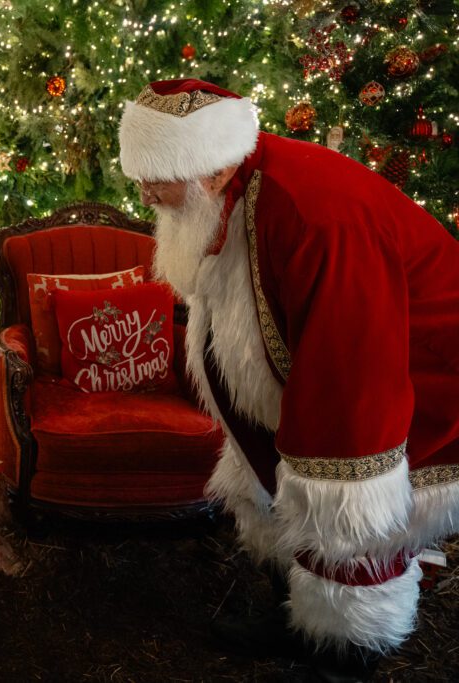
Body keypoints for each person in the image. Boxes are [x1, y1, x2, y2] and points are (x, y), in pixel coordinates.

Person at [118, 78, 459, 682]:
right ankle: (299, 616)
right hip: (327, 362)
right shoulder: (232, 185)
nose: (144, 194)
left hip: (419, 370)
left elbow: (351, 388)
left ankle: (346, 652)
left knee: (347, 509)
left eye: (157, 178)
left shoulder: (318, 218)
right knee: (274, 479)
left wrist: (340, 487)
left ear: (212, 172)